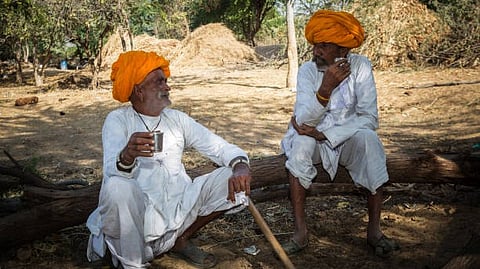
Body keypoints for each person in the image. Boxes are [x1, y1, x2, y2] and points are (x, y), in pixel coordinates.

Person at [86, 51, 252, 269]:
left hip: (177, 215)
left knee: (230, 175)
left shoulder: (176, 119)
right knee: (118, 187)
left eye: (165, 81)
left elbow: (218, 146)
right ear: (139, 90)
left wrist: (240, 165)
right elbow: (111, 172)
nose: (167, 87)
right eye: (159, 82)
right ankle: (131, 264)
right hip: (135, 229)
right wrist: (126, 156)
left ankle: (180, 240)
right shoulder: (118, 120)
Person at [280, 10, 399, 257]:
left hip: (345, 138)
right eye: (315, 46)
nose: (316, 52)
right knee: (300, 143)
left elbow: (369, 118)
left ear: (343, 51)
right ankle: (300, 233)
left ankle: (375, 231)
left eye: (323, 46)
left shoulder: (361, 67)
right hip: (310, 139)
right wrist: (325, 89)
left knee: (371, 141)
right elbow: (302, 122)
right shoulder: (307, 71)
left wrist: (327, 135)